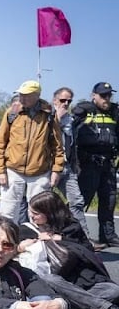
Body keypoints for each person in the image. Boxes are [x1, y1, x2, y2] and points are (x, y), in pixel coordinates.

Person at [17, 190, 119, 309]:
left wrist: (61, 240)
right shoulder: (27, 229)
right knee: (48, 278)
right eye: (30, 211)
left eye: (36, 213)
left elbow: (87, 251)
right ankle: (104, 307)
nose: (32, 216)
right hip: (54, 280)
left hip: (78, 279)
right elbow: (10, 250)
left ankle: (66, 304)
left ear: (50, 213)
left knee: (114, 291)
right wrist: (21, 247)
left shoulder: (71, 226)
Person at [0, 80, 64, 224]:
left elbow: (57, 145)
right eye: (20, 95)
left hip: (40, 172)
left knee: (40, 213)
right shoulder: (12, 112)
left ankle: (37, 238)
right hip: (13, 169)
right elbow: (0, 143)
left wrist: (57, 170)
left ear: (37, 95)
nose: (22, 98)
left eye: (26, 95)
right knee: (7, 212)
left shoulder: (49, 114)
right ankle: (8, 237)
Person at [72, 81, 119, 247]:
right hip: (89, 163)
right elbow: (71, 129)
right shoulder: (85, 110)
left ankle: (107, 235)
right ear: (94, 96)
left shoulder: (114, 112)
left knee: (109, 201)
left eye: (109, 95)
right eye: (103, 95)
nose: (107, 98)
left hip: (108, 163)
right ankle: (72, 233)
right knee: (82, 199)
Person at [51, 87, 90, 236]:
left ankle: (83, 237)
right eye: (62, 100)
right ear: (55, 100)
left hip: (67, 167)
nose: (66, 103)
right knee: (42, 202)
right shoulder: (47, 116)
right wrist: (56, 118)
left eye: (69, 101)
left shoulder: (71, 120)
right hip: (49, 167)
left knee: (77, 201)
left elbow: (72, 143)